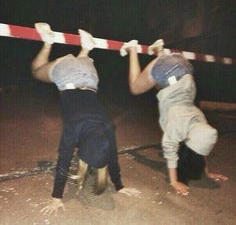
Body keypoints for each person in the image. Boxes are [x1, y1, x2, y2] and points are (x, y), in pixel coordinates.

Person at [31, 23, 140, 215]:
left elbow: (112, 159)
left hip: (90, 76)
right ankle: (48, 41)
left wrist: (120, 186)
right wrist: (56, 198)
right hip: (67, 77)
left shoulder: (107, 127)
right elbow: (64, 160)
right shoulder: (74, 129)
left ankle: (87, 49)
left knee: (82, 62)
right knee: (37, 70)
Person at [120, 39, 228, 196]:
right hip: (169, 72)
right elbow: (170, 150)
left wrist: (207, 172)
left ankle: (159, 51)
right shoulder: (177, 123)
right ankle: (132, 48)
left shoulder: (200, 121)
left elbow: (203, 142)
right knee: (135, 87)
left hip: (184, 70)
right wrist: (174, 181)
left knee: (160, 84)